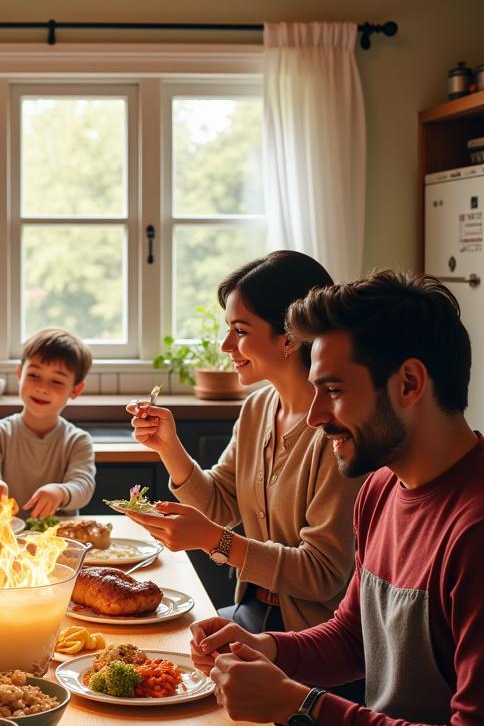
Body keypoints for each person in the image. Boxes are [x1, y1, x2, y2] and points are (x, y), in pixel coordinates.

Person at [191, 271, 484, 726]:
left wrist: (302, 705)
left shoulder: (482, 530)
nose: (315, 413)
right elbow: (354, 639)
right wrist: (270, 651)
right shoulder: (382, 489)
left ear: (409, 384)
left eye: (332, 389)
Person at [127, 251, 364, 634]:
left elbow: (323, 574)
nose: (225, 346)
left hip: (311, 638)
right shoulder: (258, 407)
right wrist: (168, 446)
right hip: (251, 612)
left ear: (289, 338)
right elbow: (221, 502)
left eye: (239, 331)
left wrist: (214, 540)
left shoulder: (337, 431)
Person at [0, 327, 95, 518]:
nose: (42, 388)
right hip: (8, 536)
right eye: (34, 375)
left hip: (58, 540)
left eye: (57, 381)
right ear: (20, 374)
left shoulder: (78, 441)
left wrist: (61, 492)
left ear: (76, 390)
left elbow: (83, 486)